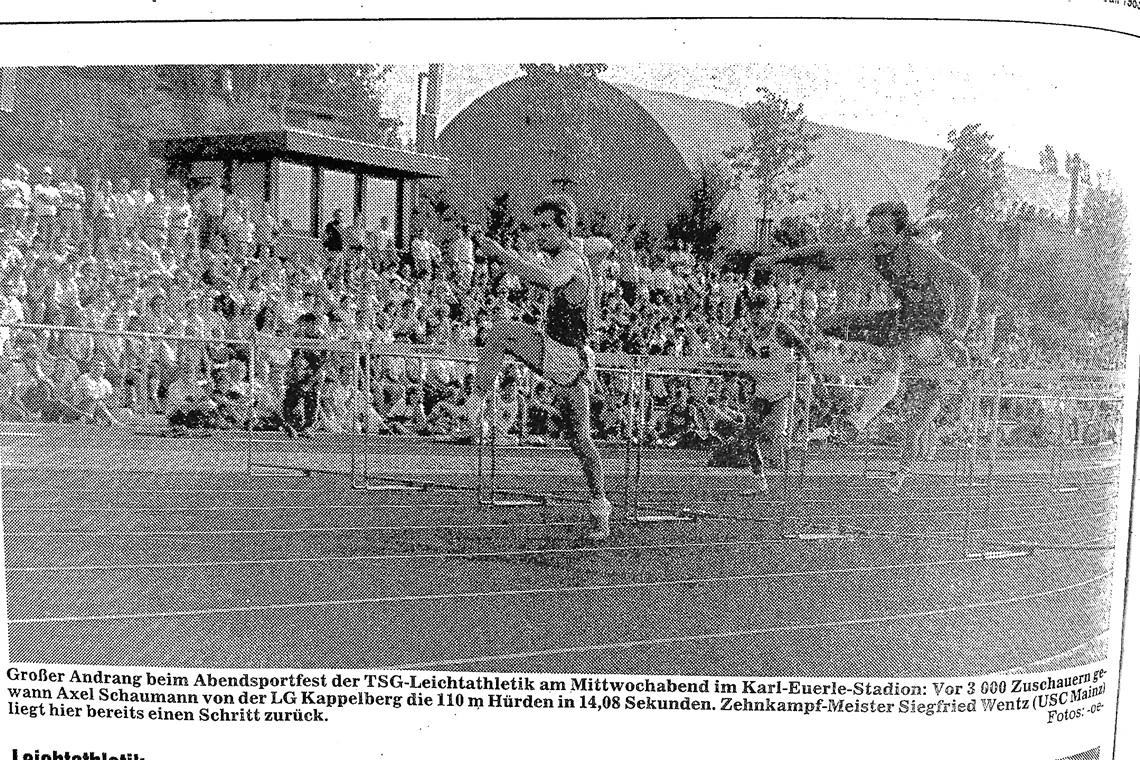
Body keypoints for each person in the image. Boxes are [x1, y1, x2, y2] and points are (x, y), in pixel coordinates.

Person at [770, 201, 980, 490]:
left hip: (934, 322)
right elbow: (825, 250)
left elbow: (968, 280)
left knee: (912, 403)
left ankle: (860, 423)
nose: (876, 237)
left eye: (883, 231)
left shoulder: (918, 253)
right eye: (873, 230)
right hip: (905, 315)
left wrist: (958, 330)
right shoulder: (872, 248)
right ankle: (803, 334)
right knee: (840, 318)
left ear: (900, 232)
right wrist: (779, 257)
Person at [462, 194, 612, 540]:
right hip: (575, 358)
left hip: (564, 355)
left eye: (546, 227)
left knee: (500, 333)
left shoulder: (570, 260)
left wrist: (501, 255)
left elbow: (542, 276)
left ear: (564, 226)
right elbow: (599, 245)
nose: (538, 234)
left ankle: (476, 403)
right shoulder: (574, 250)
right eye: (536, 227)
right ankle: (600, 508)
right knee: (581, 440)